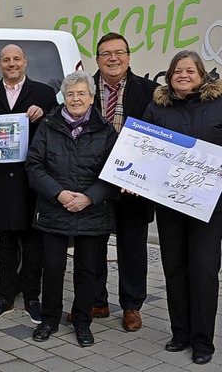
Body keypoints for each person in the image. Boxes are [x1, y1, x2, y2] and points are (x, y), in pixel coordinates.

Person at [25, 70, 117, 347]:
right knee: (52, 267)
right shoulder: (49, 126)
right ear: (63, 97)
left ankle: (82, 321)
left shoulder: (106, 130)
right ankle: (49, 319)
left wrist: (89, 198)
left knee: (88, 270)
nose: (75, 99)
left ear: (91, 97)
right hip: (55, 207)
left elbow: (113, 173)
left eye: (81, 93)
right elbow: (34, 166)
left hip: (92, 211)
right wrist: (60, 194)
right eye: (70, 94)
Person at [143, 50, 222, 365]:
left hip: (209, 206)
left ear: (201, 75)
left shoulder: (218, 105)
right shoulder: (157, 108)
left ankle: (203, 341)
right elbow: (141, 150)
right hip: (170, 205)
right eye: (178, 70)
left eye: (190, 70)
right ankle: (180, 333)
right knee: (174, 269)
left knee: (203, 271)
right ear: (169, 75)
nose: (184, 75)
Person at [0, 44, 58, 324]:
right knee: (6, 242)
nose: (12, 64)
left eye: (16, 59)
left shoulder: (45, 94)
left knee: (34, 244)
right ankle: (5, 298)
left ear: (25, 62)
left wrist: (45, 115)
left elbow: (59, 129)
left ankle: (32, 298)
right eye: (6, 60)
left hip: (33, 181)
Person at [89, 32, 158, 332]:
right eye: (106, 53)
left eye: (119, 52)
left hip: (135, 184)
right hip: (92, 182)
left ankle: (131, 306)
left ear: (129, 57)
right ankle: (97, 300)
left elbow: (160, 138)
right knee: (92, 245)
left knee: (133, 247)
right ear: (97, 59)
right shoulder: (83, 87)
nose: (113, 58)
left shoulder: (151, 91)